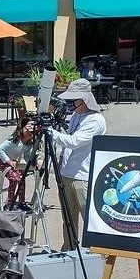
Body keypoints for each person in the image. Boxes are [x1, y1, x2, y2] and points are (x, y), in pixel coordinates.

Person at [49, 79, 107, 251]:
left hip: (84, 176)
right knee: (68, 219)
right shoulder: (75, 116)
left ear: (85, 99)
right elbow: (68, 142)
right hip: (67, 174)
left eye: (74, 100)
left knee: (89, 218)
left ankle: (97, 253)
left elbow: (74, 141)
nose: (71, 104)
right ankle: (69, 250)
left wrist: (51, 132)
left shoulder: (96, 120)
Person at [0, 117, 37, 212]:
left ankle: (22, 202)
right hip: (1, 159)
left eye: (32, 130)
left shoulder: (29, 143)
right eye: (27, 129)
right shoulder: (14, 140)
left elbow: (27, 156)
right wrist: (8, 161)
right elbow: (0, 150)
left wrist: (33, 162)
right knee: (14, 178)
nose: (30, 132)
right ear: (21, 129)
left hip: (13, 161)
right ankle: (9, 203)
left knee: (22, 177)